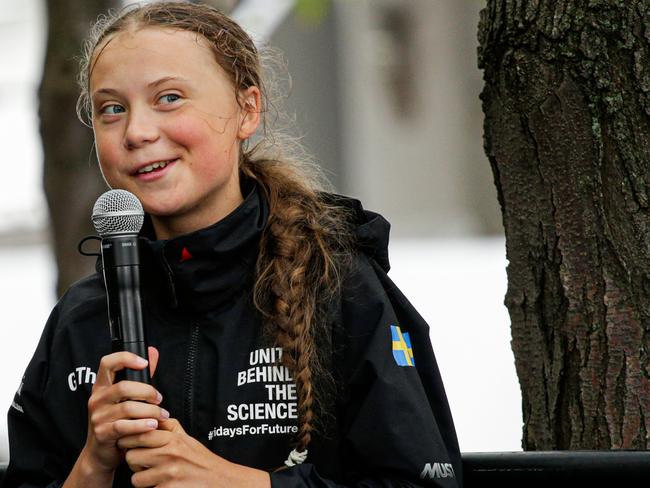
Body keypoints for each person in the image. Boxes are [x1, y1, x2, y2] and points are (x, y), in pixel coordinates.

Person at [4, 2, 462, 487]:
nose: (137, 132)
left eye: (169, 98)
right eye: (111, 109)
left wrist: (244, 483)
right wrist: (95, 462)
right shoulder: (82, 317)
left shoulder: (337, 283)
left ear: (247, 109)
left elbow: (421, 480)